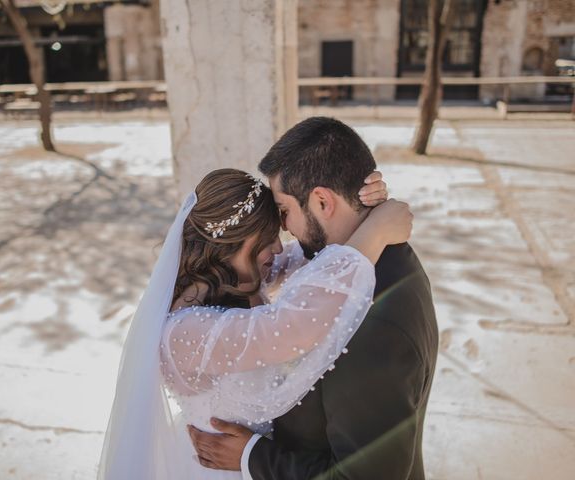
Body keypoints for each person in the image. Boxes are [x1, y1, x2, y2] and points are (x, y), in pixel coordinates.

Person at [98, 164, 412, 479]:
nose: (277, 247)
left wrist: (357, 204)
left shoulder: (238, 279)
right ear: (232, 241)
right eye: (267, 237)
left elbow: (315, 255)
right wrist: (377, 231)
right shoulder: (184, 333)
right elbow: (287, 327)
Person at [189, 117, 438, 480]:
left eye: (285, 211)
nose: (284, 229)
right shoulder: (368, 259)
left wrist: (253, 457)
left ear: (322, 200)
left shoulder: (372, 323)